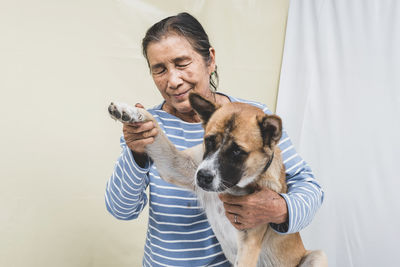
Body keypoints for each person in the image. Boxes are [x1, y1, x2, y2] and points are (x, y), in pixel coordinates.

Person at [105, 12, 324, 266]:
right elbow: (121, 209)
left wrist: (280, 208)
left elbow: (311, 190)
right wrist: (137, 154)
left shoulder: (255, 119)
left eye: (182, 63)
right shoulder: (146, 129)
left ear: (210, 60)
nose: (173, 80)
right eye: (160, 69)